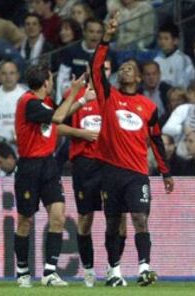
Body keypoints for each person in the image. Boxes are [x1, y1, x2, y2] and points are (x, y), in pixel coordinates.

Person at [91, 13, 174, 287]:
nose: (124, 70)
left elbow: (157, 140)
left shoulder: (148, 107)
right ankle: (113, 270)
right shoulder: (108, 97)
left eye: (129, 68)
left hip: (138, 172)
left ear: (138, 77)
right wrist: (106, 37)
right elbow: (95, 68)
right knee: (113, 223)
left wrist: (165, 173)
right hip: (111, 169)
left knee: (140, 218)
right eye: (122, 67)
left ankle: (144, 268)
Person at [13, 62, 85, 288]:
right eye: (51, 79)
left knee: (58, 215)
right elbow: (56, 118)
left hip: (48, 164)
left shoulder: (43, 102)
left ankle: (50, 272)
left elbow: (58, 116)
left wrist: (82, 100)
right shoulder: (28, 102)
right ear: (46, 82)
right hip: (29, 167)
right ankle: (23, 271)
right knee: (25, 220)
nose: (52, 83)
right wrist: (75, 92)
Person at [58, 61, 127, 287]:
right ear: (89, 71)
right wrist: (80, 133)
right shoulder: (73, 93)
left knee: (117, 218)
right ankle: (88, 270)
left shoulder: (116, 96)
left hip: (111, 163)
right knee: (85, 218)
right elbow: (56, 124)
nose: (102, 73)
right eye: (99, 69)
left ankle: (113, 268)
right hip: (85, 164)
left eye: (107, 69)